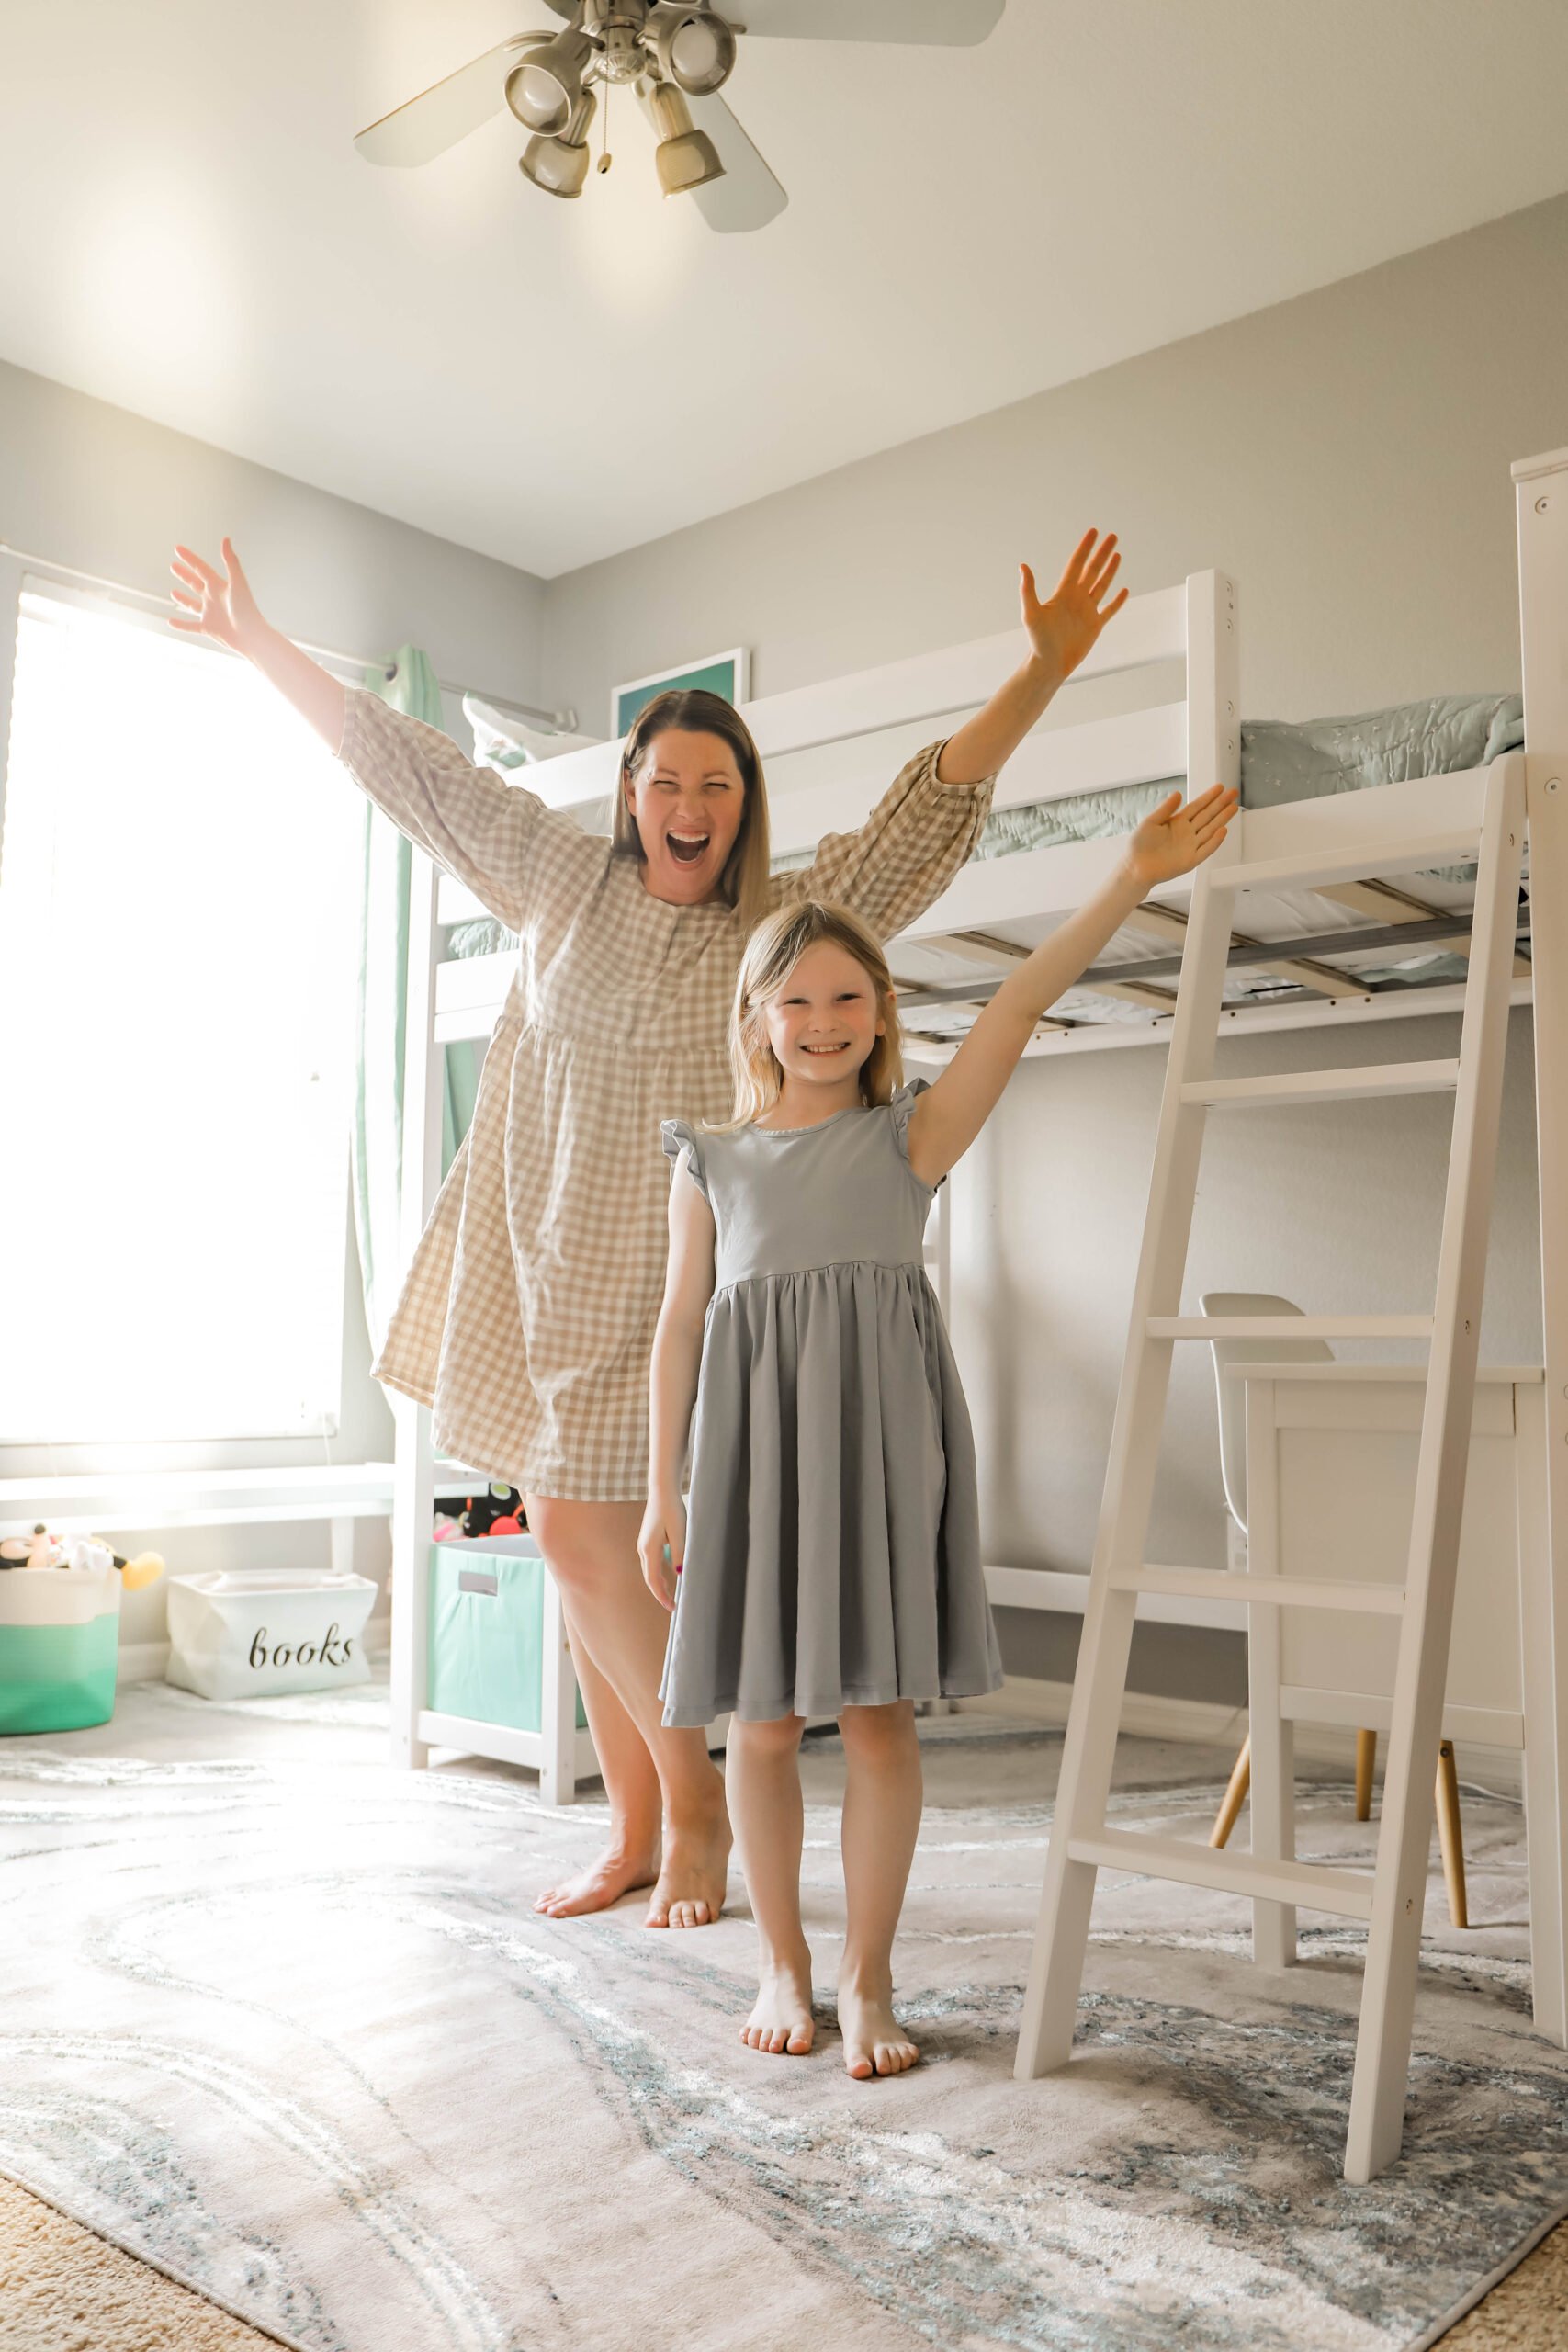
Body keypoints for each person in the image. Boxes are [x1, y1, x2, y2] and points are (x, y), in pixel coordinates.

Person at [169, 526, 1132, 1933]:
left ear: (744, 808)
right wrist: (262, 641)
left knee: (591, 1546)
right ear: (631, 794)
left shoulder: (782, 932)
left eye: (717, 785)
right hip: (555, 1260)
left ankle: (692, 1822)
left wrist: (1037, 676)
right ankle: (637, 1828)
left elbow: (921, 820)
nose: (689, 803)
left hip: (694, 1278)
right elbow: (408, 765)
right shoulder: (558, 878)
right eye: (666, 779)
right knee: (579, 1555)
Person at [639, 780, 1237, 2075]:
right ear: (756, 1017)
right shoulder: (712, 1159)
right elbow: (681, 1325)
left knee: (876, 1720)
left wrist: (1130, 876)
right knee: (755, 1721)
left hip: (875, 1452)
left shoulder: (909, 1137)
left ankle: (866, 1974)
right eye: (795, 1000)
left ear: (881, 1014)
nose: (822, 1022)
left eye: (848, 998)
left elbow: (1019, 1004)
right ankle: (782, 1961)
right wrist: (661, 1488)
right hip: (749, 1463)